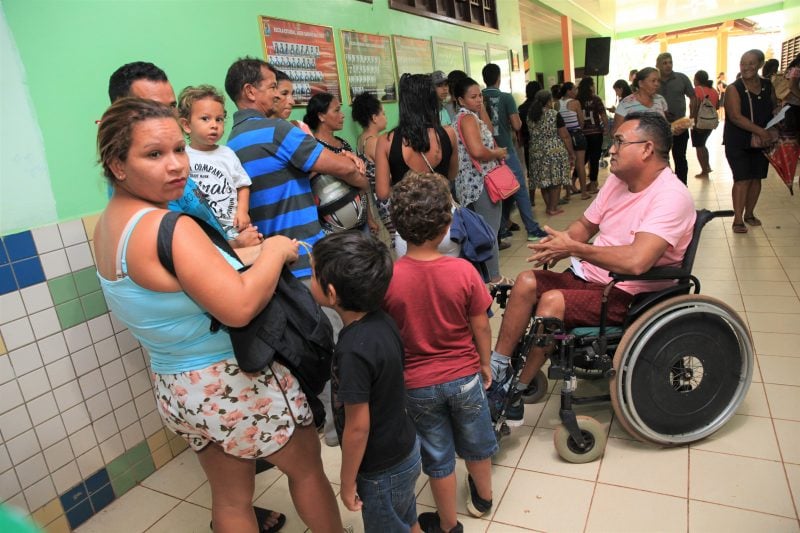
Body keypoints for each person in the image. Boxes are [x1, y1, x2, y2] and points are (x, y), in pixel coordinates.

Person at [94, 97, 343, 532]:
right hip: (232, 380)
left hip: (179, 387)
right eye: (154, 154)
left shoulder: (111, 226)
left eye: (178, 149)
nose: (177, 165)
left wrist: (249, 255)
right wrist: (274, 251)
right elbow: (239, 306)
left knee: (230, 498)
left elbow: (195, 275)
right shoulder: (170, 227)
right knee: (306, 469)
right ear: (118, 165)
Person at [488, 112, 696, 425]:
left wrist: (575, 249)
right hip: (591, 277)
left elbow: (637, 261)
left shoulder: (671, 196)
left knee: (552, 301)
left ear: (647, 149)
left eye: (620, 142)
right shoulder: (618, 180)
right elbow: (586, 225)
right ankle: (498, 370)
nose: (611, 149)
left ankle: (513, 394)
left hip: (629, 293)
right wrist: (560, 242)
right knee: (526, 281)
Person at [383, 172, 497, 533]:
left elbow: (389, 334)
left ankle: (448, 524)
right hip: (465, 376)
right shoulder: (463, 271)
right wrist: (484, 362)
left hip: (417, 383)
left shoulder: (389, 279)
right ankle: (484, 497)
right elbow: (481, 325)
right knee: (477, 442)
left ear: (398, 228)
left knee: (437, 455)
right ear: (448, 224)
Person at [310, 232, 422, 532]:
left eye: (312, 273)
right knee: (407, 517)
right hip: (405, 447)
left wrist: (347, 482)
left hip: (381, 469)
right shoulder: (383, 319)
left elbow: (358, 427)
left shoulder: (352, 351)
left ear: (331, 294)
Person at [225, 57, 366, 279]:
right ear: (250, 91)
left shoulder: (231, 143)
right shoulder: (277, 131)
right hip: (302, 256)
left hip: (270, 264)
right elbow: (345, 169)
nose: (277, 95)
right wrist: (352, 166)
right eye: (272, 87)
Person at [107, 62, 263, 249]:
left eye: (171, 107)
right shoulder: (138, 193)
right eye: (152, 109)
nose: (167, 119)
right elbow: (186, 254)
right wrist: (252, 248)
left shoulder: (181, 166)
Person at [374, 73, 458, 244]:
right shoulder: (448, 134)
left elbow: (382, 193)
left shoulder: (386, 141)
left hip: (408, 228)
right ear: (431, 100)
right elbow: (452, 174)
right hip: (445, 223)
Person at [451, 76, 513, 286]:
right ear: (460, 100)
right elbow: (477, 151)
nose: (479, 100)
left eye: (480, 96)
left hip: (470, 184)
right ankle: (495, 277)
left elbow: (488, 129)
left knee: (478, 231)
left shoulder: (467, 117)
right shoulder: (467, 118)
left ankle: (480, 276)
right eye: (473, 97)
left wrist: (481, 106)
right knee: (489, 231)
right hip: (481, 183)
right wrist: (498, 153)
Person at [482, 63, 547, 243]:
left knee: (501, 190)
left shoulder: (478, 98)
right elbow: (517, 125)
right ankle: (532, 229)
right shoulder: (505, 97)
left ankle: (502, 227)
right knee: (518, 187)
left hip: (486, 153)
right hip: (505, 150)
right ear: (498, 78)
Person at [177, 85, 251, 239]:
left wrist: (242, 211)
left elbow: (243, 185)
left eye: (219, 119)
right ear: (186, 125)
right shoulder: (182, 156)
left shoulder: (227, 154)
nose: (214, 125)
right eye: (205, 119)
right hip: (199, 230)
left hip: (232, 228)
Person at [303, 92, 373, 234]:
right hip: (334, 224)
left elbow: (361, 185)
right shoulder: (314, 148)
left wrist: (370, 217)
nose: (342, 115)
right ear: (321, 116)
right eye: (336, 110)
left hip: (360, 218)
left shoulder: (343, 144)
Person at [724, 49, 777, 234]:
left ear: (760, 64)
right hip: (738, 140)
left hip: (762, 141)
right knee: (742, 179)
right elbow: (735, 116)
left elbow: (773, 106)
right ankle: (738, 219)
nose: (746, 67)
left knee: (756, 178)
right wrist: (760, 131)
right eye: (743, 63)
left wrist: (777, 115)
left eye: (751, 63)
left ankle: (749, 214)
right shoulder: (734, 88)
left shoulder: (767, 85)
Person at [352, 91, 393, 248]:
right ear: (374, 118)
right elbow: (389, 174)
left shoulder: (361, 139)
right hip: (387, 201)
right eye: (383, 113)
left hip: (375, 200)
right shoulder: (375, 142)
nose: (386, 117)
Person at [527, 89, 574, 217]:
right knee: (556, 181)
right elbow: (565, 136)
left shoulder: (530, 116)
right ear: (549, 101)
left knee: (544, 181)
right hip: (553, 151)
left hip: (536, 152)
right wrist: (571, 153)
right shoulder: (554, 114)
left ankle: (549, 206)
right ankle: (553, 208)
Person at [656, 52, 697, 185]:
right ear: (658, 65)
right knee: (660, 159)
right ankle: (664, 188)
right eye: (664, 63)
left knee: (680, 157)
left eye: (670, 62)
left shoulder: (681, 78)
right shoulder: (654, 81)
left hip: (680, 126)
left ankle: (682, 186)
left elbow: (693, 97)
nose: (668, 65)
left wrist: (691, 119)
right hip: (659, 128)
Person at [558, 82, 590, 201]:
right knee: (580, 164)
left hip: (563, 136)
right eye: (574, 89)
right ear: (568, 91)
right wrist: (578, 129)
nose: (576, 92)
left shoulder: (556, 104)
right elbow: (581, 121)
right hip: (576, 134)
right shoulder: (575, 103)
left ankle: (567, 194)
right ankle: (584, 193)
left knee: (566, 166)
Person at [612, 67, 668, 136]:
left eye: (658, 81)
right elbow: (615, 133)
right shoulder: (625, 104)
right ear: (641, 83)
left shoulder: (660, 99)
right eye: (653, 81)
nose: (657, 84)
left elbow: (665, 124)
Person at [577, 77, 608, 194]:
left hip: (582, 133)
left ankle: (573, 181)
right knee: (594, 159)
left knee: (582, 159)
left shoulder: (577, 100)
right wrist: (606, 128)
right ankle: (593, 184)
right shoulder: (596, 99)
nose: (594, 87)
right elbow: (603, 115)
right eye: (593, 85)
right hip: (595, 133)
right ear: (590, 86)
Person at [689, 70, 719, 178]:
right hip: (710, 122)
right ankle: (707, 167)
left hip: (699, 122)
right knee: (702, 144)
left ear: (697, 80)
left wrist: (692, 121)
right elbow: (717, 106)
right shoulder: (714, 90)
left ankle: (704, 170)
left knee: (699, 146)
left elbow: (694, 106)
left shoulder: (697, 89)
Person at [518, 80, 543, 174]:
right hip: (542, 141)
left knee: (531, 171)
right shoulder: (542, 106)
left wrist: (520, 139)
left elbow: (520, 127)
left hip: (528, 141)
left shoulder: (521, 108)